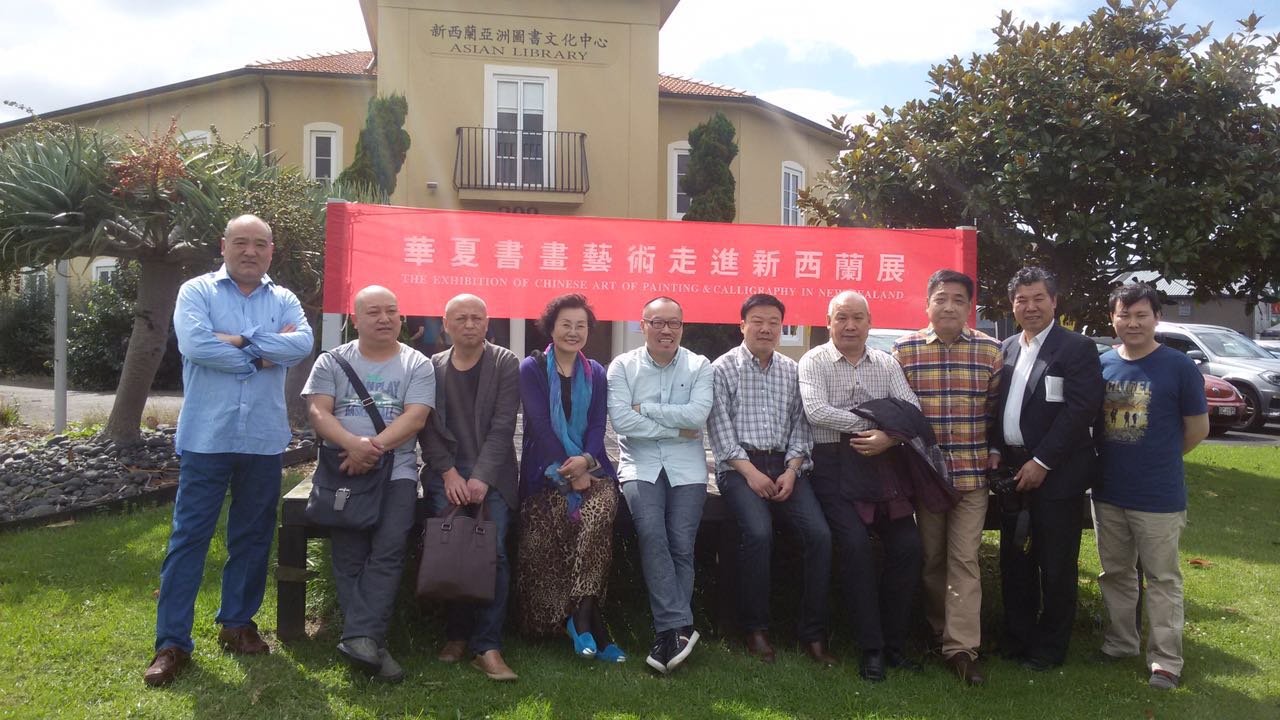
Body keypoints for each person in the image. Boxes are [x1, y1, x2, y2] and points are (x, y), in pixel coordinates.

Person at [144, 214, 314, 687]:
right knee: (189, 539)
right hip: (207, 438)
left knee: (253, 536)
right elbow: (197, 346)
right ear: (223, 246)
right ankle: (171, 643)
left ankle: (237, 624)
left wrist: (239, 342)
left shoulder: (284, 299)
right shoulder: (197, 291)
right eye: (241, 242)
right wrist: (263, 354)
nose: (250, 251)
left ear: (271, 251)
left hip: (262, 439)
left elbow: (301, 344)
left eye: (260, 244)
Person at [302, 285, 433, 683]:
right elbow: (318, 412)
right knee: (349, 554)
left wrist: (370, 449)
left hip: (396, 472)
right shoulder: (332, 361)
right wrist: (351, 445)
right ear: (355, 320)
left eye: (391, 311)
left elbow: (416, 417)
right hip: (342, 470)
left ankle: (360, 638)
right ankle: (368, 642)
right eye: (373, 312)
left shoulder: (417, 363)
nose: (384, 318)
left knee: (389, 549)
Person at [798, 291, 926, 682]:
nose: (850, 326)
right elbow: (816, 411)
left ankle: (894, 644)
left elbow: (912, 409)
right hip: (833, 465)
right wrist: (876, 424)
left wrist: (889, 437)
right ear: (828, 322)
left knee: (908, 547)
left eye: (858, 318)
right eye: (842, 318)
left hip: (882, 463)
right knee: (854, 547)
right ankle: (871, 648)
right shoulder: (814, 361)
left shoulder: (886, 362)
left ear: (870, 323)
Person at [706, 294, 834, 665]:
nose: (766, 329)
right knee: (758, 532)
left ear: (781, 327)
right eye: (757, 321)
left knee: (819, 535)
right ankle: (755, 628)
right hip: (739, 468)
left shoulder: (792, 370)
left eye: (774, 322)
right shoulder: (721, 369)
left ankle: (812, 633)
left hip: (786, 467)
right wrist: (751, 473)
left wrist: (792, 471)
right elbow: (720, 433)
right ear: (742, 325)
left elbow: (801, 427)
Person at [988, 266, 1104, 671]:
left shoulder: (1076, 348)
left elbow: (1080, 411)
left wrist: (1042, 462)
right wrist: (995, 448)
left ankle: (1050, 648)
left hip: (1059, 473)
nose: (1031, 307)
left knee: (1055, 564)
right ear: (1012, 305)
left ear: (1054, 302)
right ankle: (1016, 638)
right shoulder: (1005, 348)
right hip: (1013, 472)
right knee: (1015, 560)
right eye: (1022, 300)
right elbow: (997, 407)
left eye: (1039, 298)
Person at [1093, 283, 1208, 690]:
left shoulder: (1178, 366)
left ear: (1156, 317)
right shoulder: (1104, 364)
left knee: (1162, 579)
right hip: (1108, 491)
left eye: (1141, 314)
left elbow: (1197, 429)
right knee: (1115, 572)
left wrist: (1161, 458)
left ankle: (1165, 661)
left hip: (1158, 495)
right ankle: (1121, 642)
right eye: (1124, 315)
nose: (1133, 322)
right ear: (1113, 319)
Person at [893, 269, 1002, 685]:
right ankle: (939, 631)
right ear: (927, 304)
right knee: (932, 559)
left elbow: (994, 413)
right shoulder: (905, 351)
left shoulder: (990, 351)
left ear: (970, 306)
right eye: (941, 298)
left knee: (964, 559)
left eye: (958, 299)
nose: (949, 306)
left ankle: (962, 649)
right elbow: (900, 413)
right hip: (926, 478)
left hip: (972, 476)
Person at [516, 294, 625, 663]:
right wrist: (569, 467)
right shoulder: (531, 368)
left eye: (581, 326)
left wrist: (586, 461)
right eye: (566, 324)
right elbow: (539, 425)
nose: (573, 332)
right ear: (551, 328)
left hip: (592, 467)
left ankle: (582, 618)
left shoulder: (595, 372)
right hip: (544, 470)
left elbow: (597, 425)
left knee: (599, 514)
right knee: (551, 524)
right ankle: (593, 625)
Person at [607, 296, 714, 675]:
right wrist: (677, 429)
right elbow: (622, 422)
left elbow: (697, 416)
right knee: (652, 533)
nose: (666, 330)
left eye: (674, 323)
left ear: (682, 327)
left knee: (681, 543)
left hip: (688, 469)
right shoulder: (623, 366)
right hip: (640, 465)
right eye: (658, 322)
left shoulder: (699, 365)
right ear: (643, 325)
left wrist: (646, 409)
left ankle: (670, 634)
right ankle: (677, 628)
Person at [420, 294, 521, 682]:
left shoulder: (504, 362)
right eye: (460, 318)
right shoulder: (431, 367)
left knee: (493, 552)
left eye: (477, 318)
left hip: (491, 473)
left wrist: (481, 476)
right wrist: (448, 473)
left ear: (487, 323)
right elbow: (426, 427)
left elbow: (503, 426)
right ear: (445, 324)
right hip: (445, 473)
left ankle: (487, 645)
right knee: (452, 549)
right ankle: (457, 634)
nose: (469, 324)